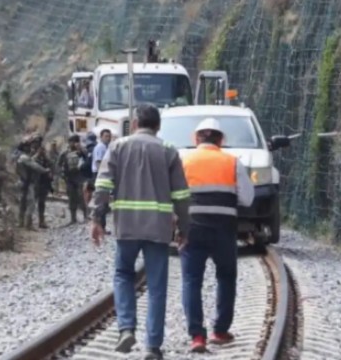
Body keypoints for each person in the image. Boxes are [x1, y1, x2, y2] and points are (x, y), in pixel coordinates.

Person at [90, 104, 191, 360]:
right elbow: (181, 195)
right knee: (157, 286)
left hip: (127, 226)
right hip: (158, 228)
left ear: (134, 124)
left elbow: (102, 186)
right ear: (158, 126)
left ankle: (126, 328)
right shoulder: (168, 150)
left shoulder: (118, 147)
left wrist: (97, 219)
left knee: (123, 275)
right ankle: (152, 347)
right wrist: (184, 228)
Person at [179, 117, 254, 353]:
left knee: (191, 280)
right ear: (221, 140)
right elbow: (247, 198)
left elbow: (173, 196)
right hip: (224, 229)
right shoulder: (232, 162)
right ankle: (220, 331)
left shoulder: (185, 161)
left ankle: (197, 337)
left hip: (192, 228)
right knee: (226, 276)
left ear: (196, 139)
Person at [16, 135, 51, 230]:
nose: (30, 147)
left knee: (23, 203)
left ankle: (21, 222)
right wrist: (45, 170)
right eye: (28, 146)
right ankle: (28, 224)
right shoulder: (25, 157)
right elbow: (35, 166)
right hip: (27, 183)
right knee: (31, 203)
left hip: (23, 181)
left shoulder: (20, 156)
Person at [57, 134, 87, 224]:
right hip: (69, 178)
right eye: (71, 142)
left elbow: (87, 160)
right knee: (71, 197)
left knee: (80, 197)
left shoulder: (82, 151)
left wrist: (80, 150)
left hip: (79, 177)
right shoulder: (65, 153)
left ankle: (85, 216)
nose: (72, 144)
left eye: (74, 142)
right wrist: (61, 174)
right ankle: (73, 218)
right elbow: (58, 164)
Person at [91, 128, 112, 232]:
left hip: (102, 176)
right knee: (101, 203)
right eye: (106, 136)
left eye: (109, 136)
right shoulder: (101, 147)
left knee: (103, 203)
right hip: (100, 176)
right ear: (101, 137)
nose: (108, 138)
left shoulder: (106, 147)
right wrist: (103, 175)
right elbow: (98, 162)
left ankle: (101, 226)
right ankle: (100, 227)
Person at [32, 135, 53, 229]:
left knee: (42, 202)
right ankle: (29, 221)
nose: (38, 144)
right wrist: (37, 154)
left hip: (43, 181)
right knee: (31, 202)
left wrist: (44, 155)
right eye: (37, 142)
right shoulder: (31, 152)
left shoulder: (44, 154)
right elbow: (30, 162)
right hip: (34, 181)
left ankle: (41, 221)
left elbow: (50, 164)